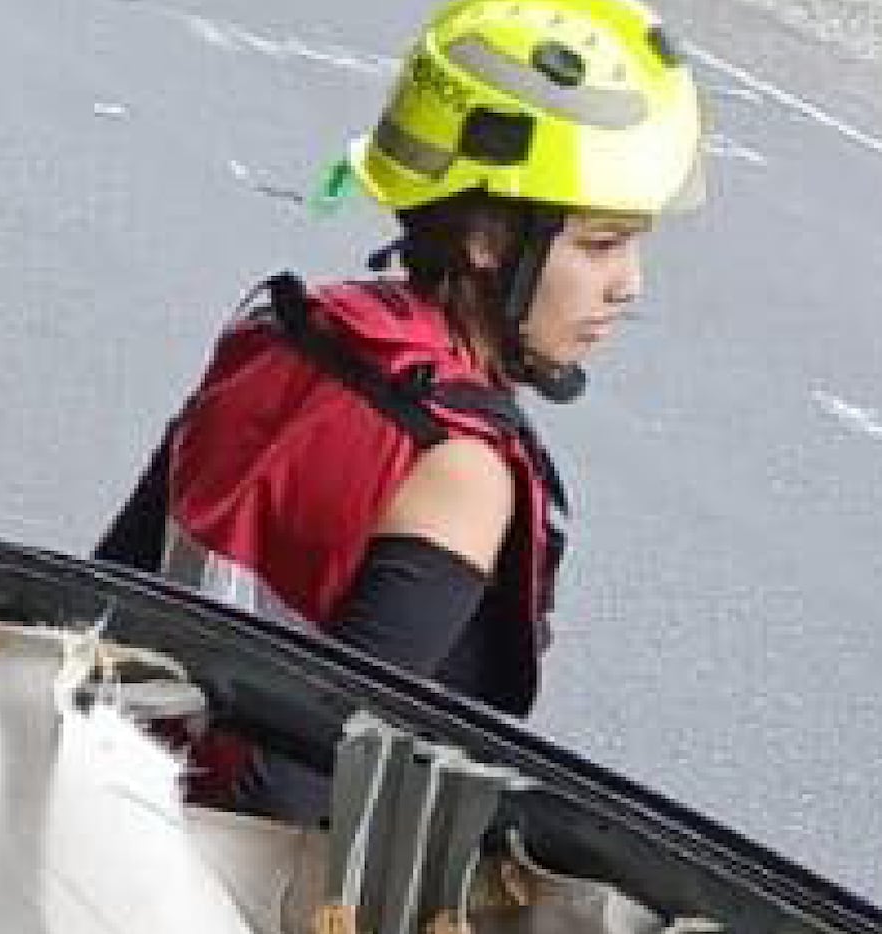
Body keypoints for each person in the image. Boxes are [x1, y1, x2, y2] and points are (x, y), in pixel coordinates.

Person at [96, 0, 706, 814]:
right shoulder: (460, 467)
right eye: (599, 245)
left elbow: (102, 589)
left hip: (97, 785)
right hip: (199, 868)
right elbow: (301, 775)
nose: (629, 284)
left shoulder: (278, 327)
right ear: (488, 240)